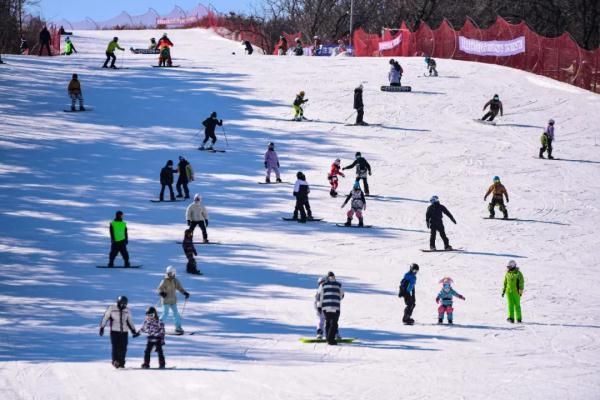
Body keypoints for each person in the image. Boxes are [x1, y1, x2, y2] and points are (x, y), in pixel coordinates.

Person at [99, 296, 138, 369]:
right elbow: (105, 317)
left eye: (125, 304)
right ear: (118, 302)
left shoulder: (127, 310)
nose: (123, 306)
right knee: (115, 347)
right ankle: (115, 361)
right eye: (122, 304)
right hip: (114, 331)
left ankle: (122, 362)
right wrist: (102, 327)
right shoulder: (112, 308)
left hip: (124, 332)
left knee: (123, 348)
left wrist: (133, 330)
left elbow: (129, 321)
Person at [158, 266, 190, 334]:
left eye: (173, 273)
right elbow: (159, 289)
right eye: (171, 273)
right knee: (165, 313)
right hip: (166, 300)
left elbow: (180, 288)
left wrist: (184, 293)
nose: (172, 275)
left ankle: (178, 327)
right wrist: (161, 293)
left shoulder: (175, 280)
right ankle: (159, 327)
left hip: (173, 300)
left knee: (176, 314)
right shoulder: (164, 280)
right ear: (168, 273)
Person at [316, 271, 344, 345]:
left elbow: (319, 296)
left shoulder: (323, 285)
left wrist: (319, 306)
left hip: (325, 307)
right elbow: (342, 296)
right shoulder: (339, 284)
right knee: (334, 323)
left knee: (328, 322)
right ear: (334, 277)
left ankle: (328, 337)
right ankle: (331, 340)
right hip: (335, 307)